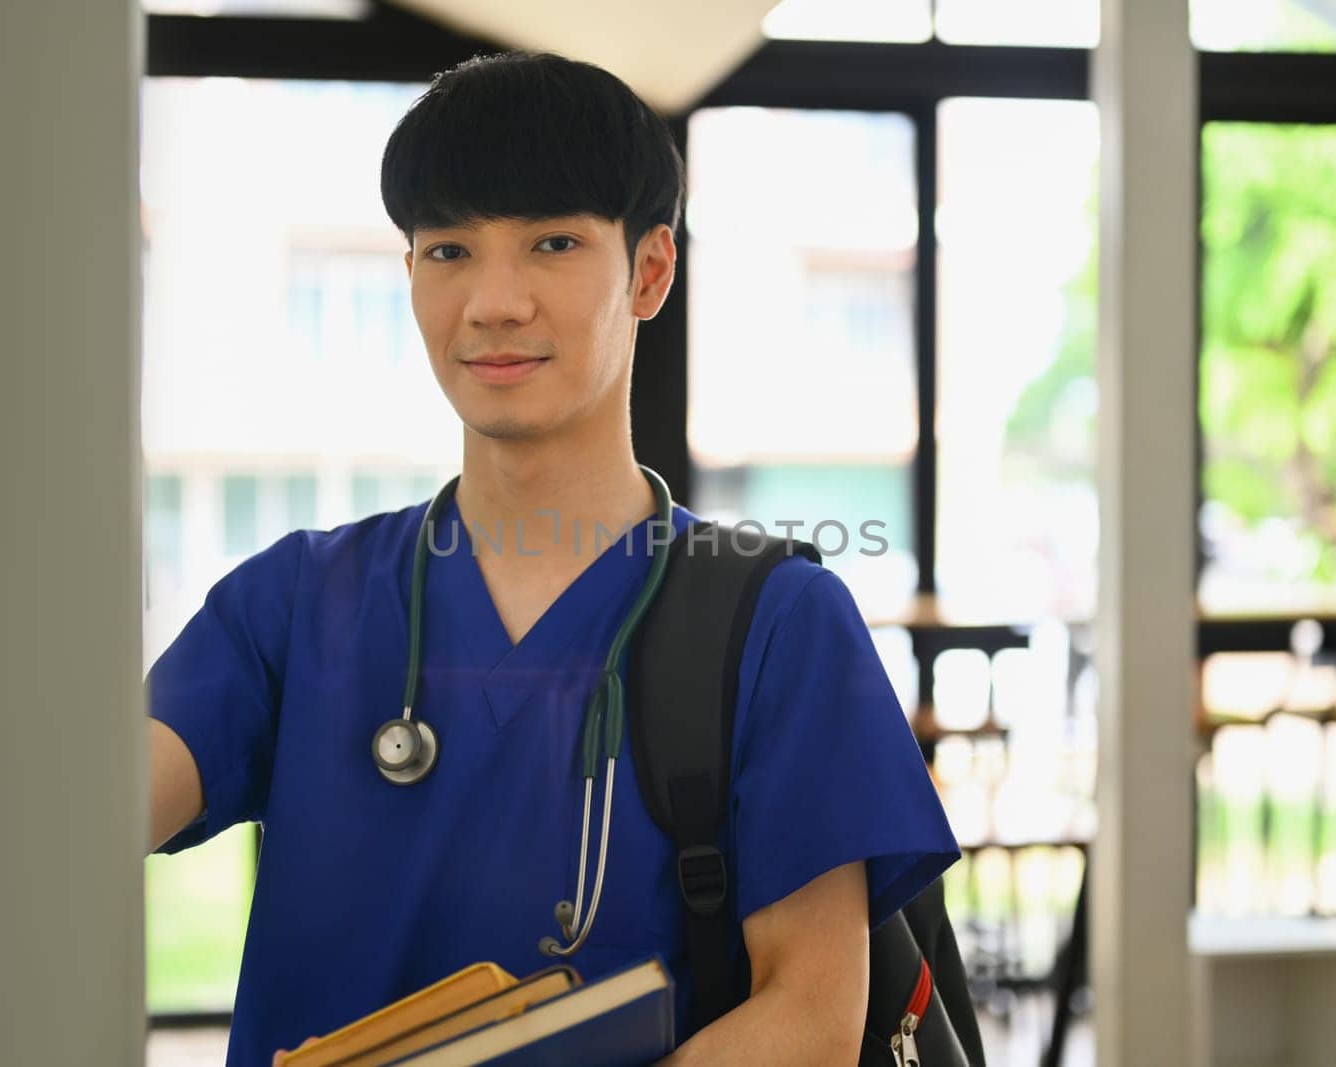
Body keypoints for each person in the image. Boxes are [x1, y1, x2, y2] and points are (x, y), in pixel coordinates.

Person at [145, 50, 960, 1066]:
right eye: (448, 251)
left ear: (649, 272)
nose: (493, 301)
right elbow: (78, 804)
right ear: (408, 277)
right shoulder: (297, 601)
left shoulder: (777, 623)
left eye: (554, 242)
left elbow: (810, 1016)